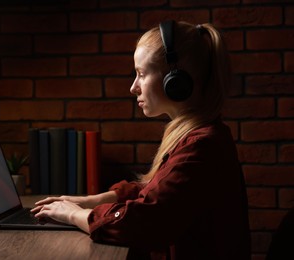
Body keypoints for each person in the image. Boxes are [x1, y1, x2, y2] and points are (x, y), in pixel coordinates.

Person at [32, 20, 251, 260]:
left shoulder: (201, 146)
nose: (133, 87)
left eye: (141, 74)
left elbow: (143, 222)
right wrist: (93, 200)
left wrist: (73, 215)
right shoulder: (199, 135)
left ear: (175, 81)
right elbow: (157, 193)